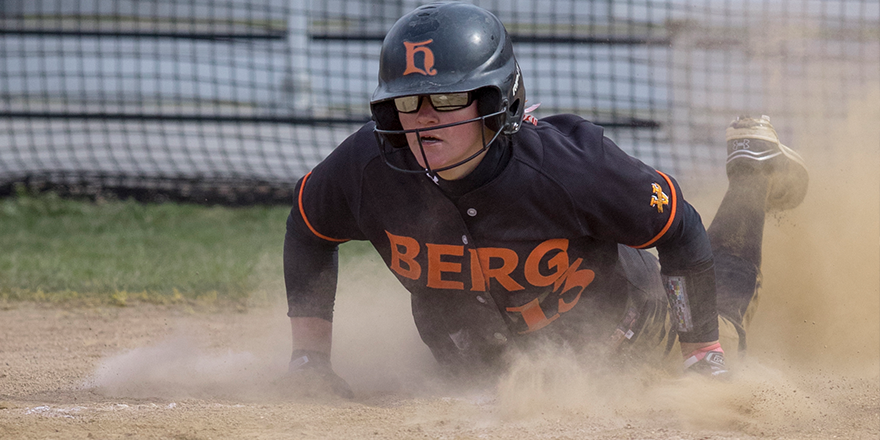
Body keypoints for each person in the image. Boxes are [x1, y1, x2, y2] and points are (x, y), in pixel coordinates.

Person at [281, 2, 809, 398]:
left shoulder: (574, 164)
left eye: (447, 98)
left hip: (635, 337)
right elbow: (308, 227)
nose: (424, 116)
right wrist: (309, 359)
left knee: (726, 319)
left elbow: (680, 228)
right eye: (407, 101)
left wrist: (703, 356)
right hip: (480, 364)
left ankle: (751, 172)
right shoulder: (366, 168)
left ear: (497, 100)